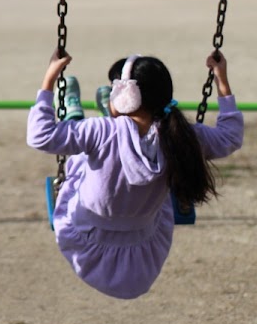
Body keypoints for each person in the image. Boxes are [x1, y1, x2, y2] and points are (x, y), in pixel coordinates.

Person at [27, 50, 244, 299]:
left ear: (123, 97)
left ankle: (71, 112)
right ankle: (78, 118)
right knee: (95, 148)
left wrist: (49, 80)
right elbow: (230, 137)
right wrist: (222, 80)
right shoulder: (180, 136)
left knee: (81, 156)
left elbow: (41, 135)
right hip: (143, 240)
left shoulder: (102, 131)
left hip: (88, 236)